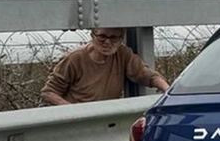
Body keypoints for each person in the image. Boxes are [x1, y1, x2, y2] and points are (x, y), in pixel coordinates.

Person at [41, 27, 170, 105]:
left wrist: (167, 90)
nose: (107, 42)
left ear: (121, 40)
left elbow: (143, 73)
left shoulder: (123, 53)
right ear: (93, 35)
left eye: (114, 38)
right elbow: (49, 92)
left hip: (106, 118)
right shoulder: (75, 58)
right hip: (78, 119)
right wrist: (70, 110)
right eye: (102, 37)